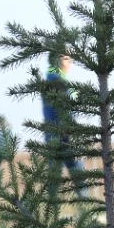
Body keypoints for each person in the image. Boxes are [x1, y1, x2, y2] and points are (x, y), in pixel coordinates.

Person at [40, 53, 85, 188]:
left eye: (71, 59)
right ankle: (84, 206)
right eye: (66, 59)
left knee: (55, 180)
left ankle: (53, 206)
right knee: (78, 179)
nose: (70, 63)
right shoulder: (57, 81)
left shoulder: (54, 79)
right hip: (65, 136)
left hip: (54, 136)